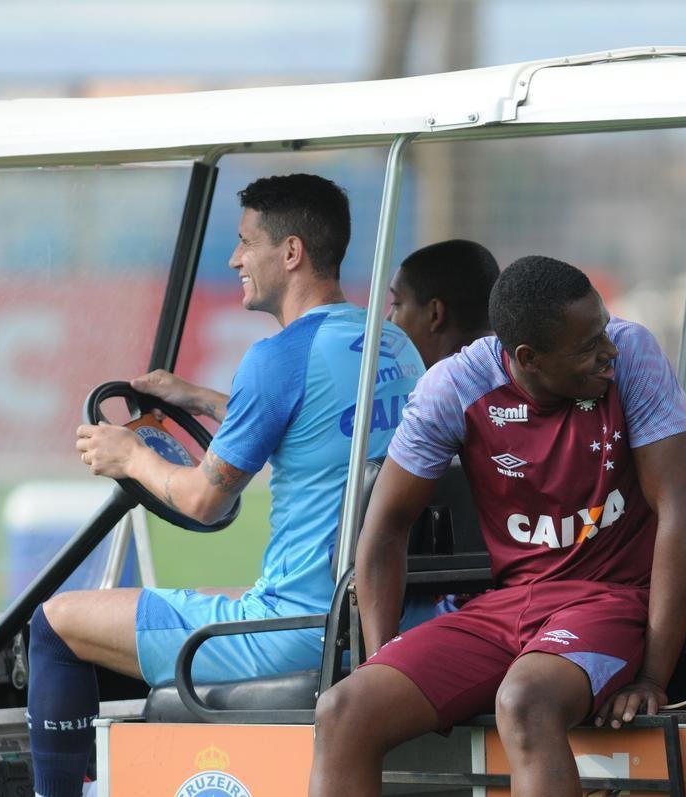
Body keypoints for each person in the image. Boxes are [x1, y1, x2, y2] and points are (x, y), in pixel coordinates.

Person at [27, 173, 425, 797]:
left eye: (246, 243)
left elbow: (203, 501)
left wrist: (129, 454)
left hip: (294, 631)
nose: (235, 259)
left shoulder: (278, 358)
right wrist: (205, 400)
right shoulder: (393, 344)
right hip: (383, 617)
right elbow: (318, 430)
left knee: (55, 624)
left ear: (290, 253)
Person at [310, 256, 686, 797]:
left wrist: (652, 679)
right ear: (528, 358)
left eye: (603, 329)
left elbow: (682, 512)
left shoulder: (632, 354)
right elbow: (383, 528)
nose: (608, 349)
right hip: (508, 607)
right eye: (589, 345)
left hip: (610, 601)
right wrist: (380, 657)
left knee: (524, 700)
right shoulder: (453, 386)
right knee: (344, 708)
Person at [387, 238, 499, 367]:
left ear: (435, 314)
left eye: (396, 304)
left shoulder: (436, 385)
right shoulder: (518, 376)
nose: (388, 320)